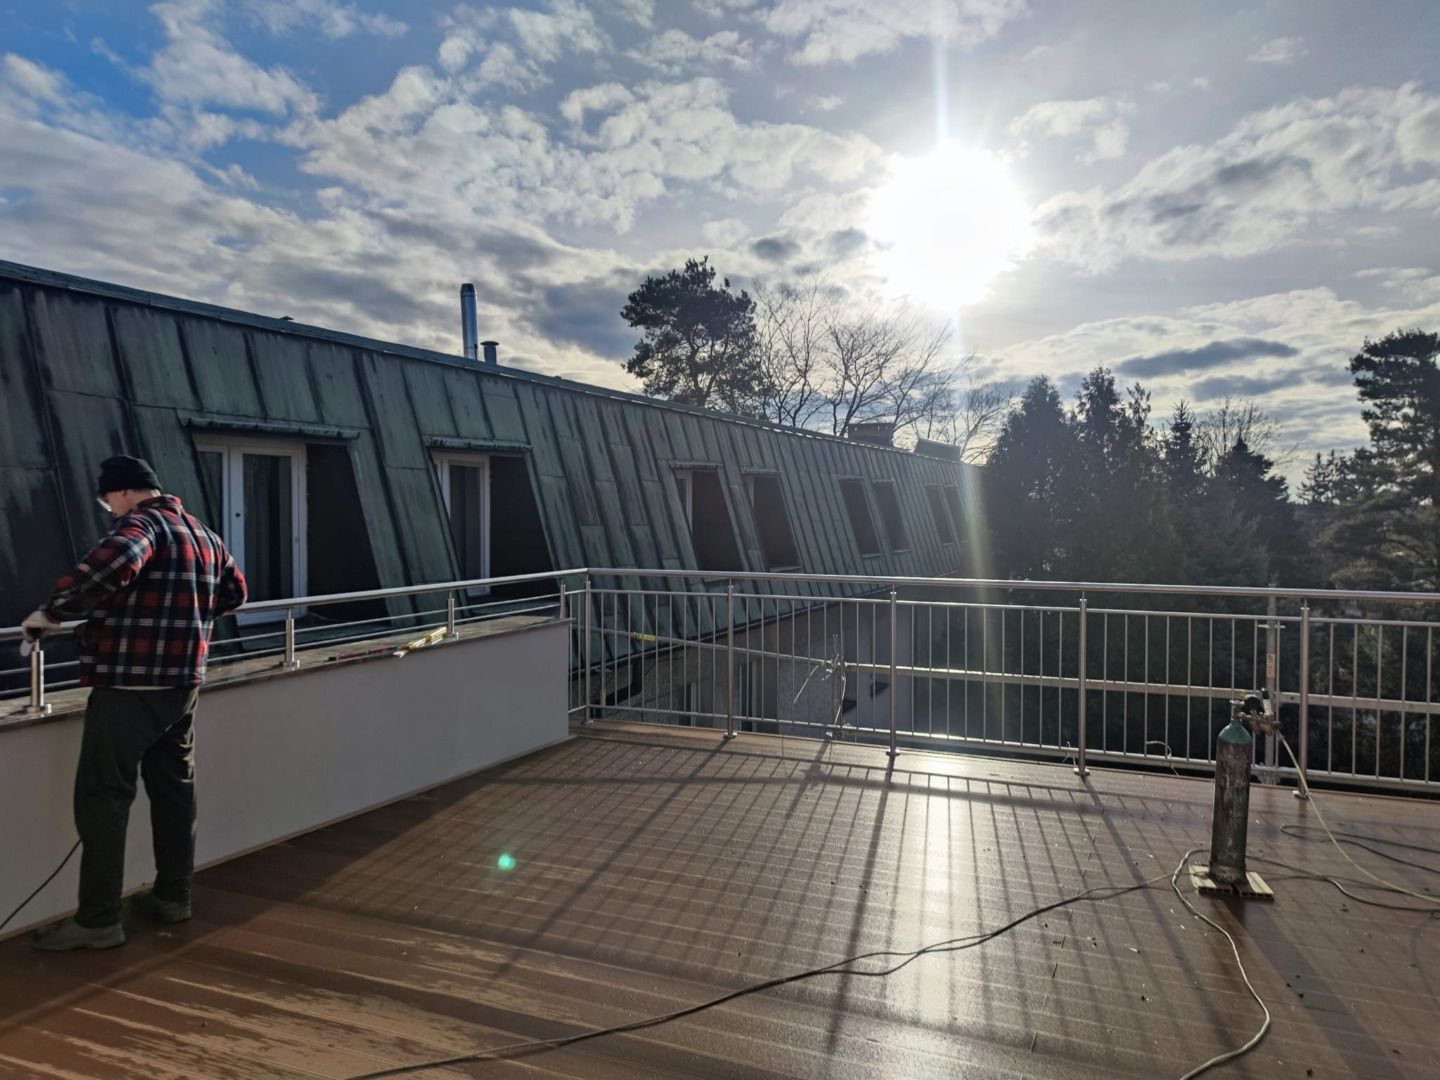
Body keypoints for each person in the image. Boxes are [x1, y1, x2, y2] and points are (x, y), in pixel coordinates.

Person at [23, 455, 246, 950]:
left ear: (124, 492)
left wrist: (51, 613)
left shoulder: (143, 527)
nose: (110, 510)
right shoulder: (204, 535)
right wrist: (183, 617)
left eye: (109, 501)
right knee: (174, 793)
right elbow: (235, 593)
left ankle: (99, 920)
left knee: (104, 798)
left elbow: (107, 567)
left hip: (128, 686)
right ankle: (173, 897)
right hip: (183, 684)